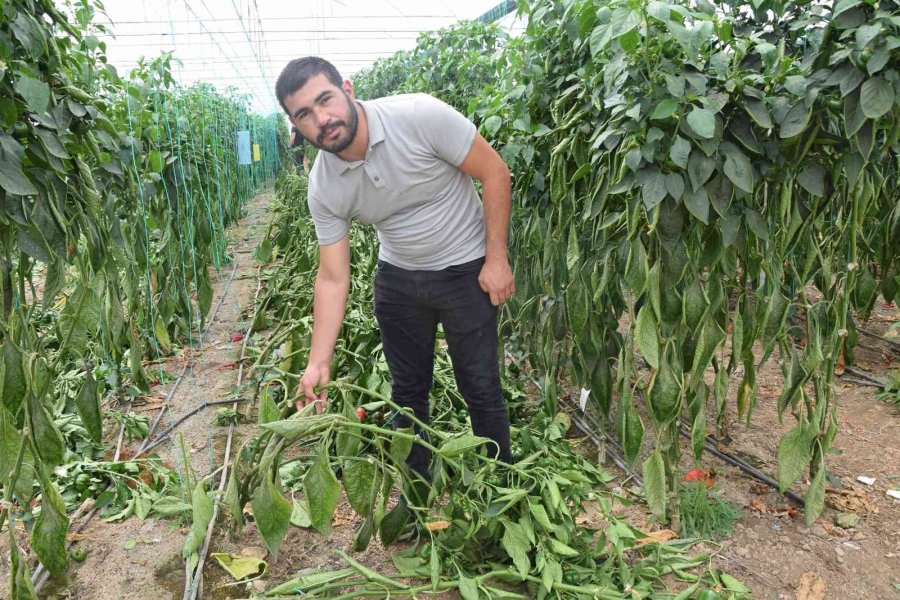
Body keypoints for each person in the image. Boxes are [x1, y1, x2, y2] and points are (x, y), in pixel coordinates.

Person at [274, 56, 515, 484]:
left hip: (465, 272)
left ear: (347, 89)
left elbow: (494, 172)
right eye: (305, 115)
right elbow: (332, 276)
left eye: (325, 100)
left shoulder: (419, 116)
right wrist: (317, 361)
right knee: (406, 395)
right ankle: (416, 494)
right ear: (296, 126)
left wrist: (496, 259)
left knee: (480, 387)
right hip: (399, 279)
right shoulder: (325, 185)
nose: (322, 119)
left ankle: (501, 486)